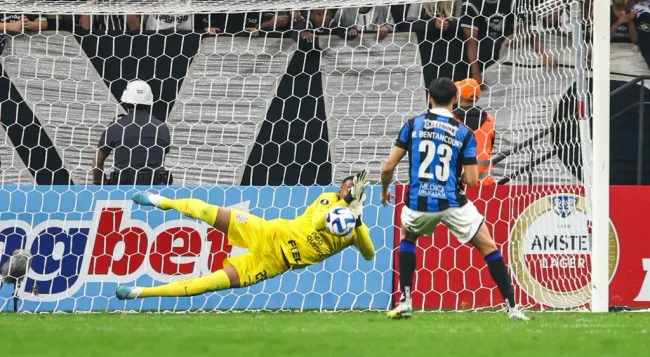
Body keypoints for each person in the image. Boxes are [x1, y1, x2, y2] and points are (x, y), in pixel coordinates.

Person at [380, 78, 527, 320]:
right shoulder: (464, 133)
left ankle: (405, 300)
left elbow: (387, 166)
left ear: (429, 97)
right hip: (452, 202)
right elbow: (471, 180)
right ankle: (513, 308)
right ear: (455, 100)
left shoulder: (412, 125)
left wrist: (385, 188)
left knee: (408, 236)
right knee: (488, 246)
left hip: (419, 202)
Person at [115, 172, 374, 299]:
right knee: (207, 210)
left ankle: (140, 292)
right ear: (340, 189)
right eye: (347, 187)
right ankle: (162, 201)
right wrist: (346, 202)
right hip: (269, 232)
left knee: (210, 283)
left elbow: (369, 253)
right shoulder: (329, 200)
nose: (349, 191)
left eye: (354, 190)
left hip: (274, 264)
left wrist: (358, 219)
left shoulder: (353, 230)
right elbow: (319, 221)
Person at [92, 80, 172, 186]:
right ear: (149, 102)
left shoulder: (115, 127)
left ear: (126, 101)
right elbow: (162, 153)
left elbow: (97, 164)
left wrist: (99, 183)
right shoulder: (162, 128)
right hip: (156, 190)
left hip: (122, 190)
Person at [453, 78, 495, 184]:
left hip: (458, 182)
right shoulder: (490, 119)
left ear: (458, 96)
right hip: (485, 182)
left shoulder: (451, 119)